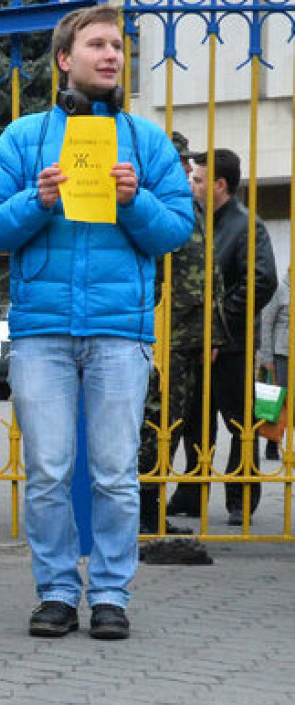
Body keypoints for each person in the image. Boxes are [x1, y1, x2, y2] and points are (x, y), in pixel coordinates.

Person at [0, 5, 194, 640]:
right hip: (40, 331)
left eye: (117, 46)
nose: (111, 55)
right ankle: (58, 592)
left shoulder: (145, 141)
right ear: (65, 59)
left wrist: (135, 201)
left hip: (121, 333)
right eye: (96, 44)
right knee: (47, 471)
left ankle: (113, 594)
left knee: (116, 474)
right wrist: (36, 201)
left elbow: (176, 228)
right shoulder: (25, 137)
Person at [168, 148, 277, 525]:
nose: (191, 184)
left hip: (232, 344)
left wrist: (218, 328)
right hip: (195, 343)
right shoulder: (193, 220)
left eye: (197, 179)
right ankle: (192, 493)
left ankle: (241, 496)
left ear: (220, 185)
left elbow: (261, 281)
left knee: (239, 422)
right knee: (195, 421)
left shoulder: (248, 225)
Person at [137, 131, 210, 536]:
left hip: (187, 338)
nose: (186, 167)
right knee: (154, 424)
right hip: (160, 336)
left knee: (171, 424)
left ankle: (152, 511)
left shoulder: (184, 205)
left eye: (187, 161)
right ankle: (146, 516)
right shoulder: (153, 206)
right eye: (180, 160)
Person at [259, 268, 289, 462]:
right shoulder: (282, 290)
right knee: (279, 400)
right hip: (282, 355)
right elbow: (266, 323)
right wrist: (266, 357)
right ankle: (272, 443)